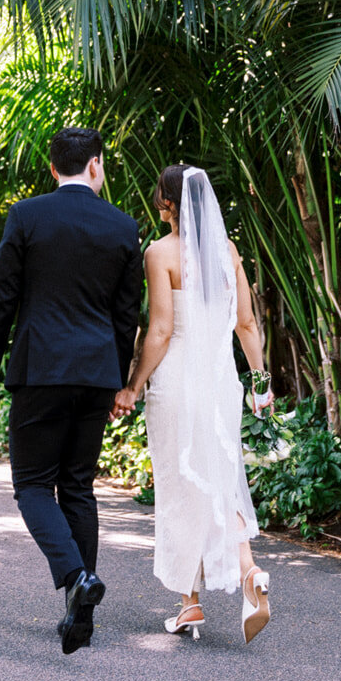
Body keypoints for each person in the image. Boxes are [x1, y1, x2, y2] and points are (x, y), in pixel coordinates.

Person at [0, 127, 144, 655]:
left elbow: (2, 300)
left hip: (40, 369)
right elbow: (126, 314)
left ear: (53, 170)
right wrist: (118, 380)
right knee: (79, 486)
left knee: (33, 486)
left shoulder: (27, 216)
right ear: (95, 166)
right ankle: (79, 609)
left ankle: (76, 579)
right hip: (95, 374)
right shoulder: (122, 226)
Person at [112, 164, 275, 643]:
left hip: (179, 381)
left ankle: (192, 601)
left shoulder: (160, 253)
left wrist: (134, 385)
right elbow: (247, 325)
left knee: (181, 489)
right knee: (223, 476)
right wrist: (260, 385)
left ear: (166, 204)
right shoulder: (228, 252)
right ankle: (242, 575)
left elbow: (161, 331)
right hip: (222, 380)